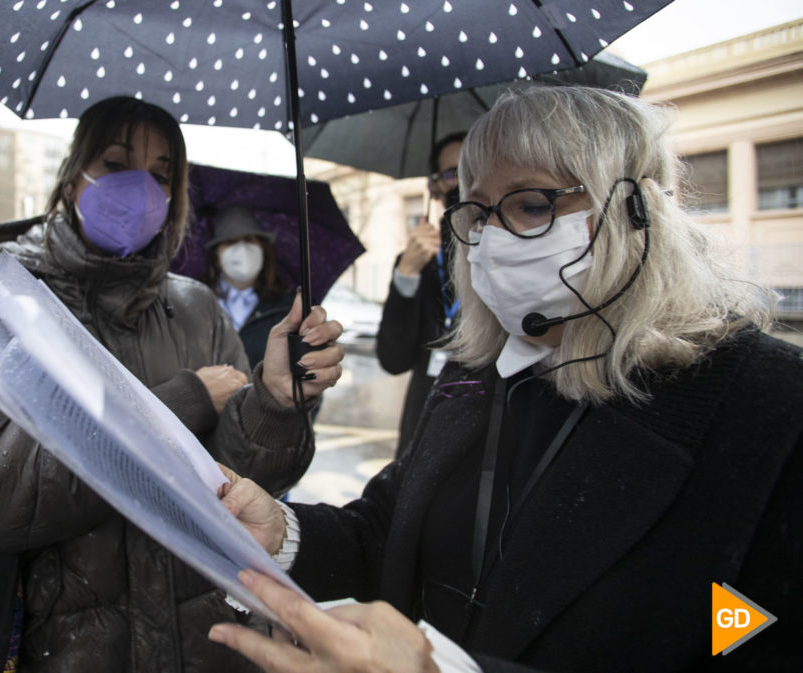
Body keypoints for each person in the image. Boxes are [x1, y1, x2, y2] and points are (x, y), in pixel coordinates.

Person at [209, 86, 802, 673]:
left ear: (632, 209)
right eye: (476, 211)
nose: (492, 238)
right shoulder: (473, 375)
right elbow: (385, 534)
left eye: (532, 204)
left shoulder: (769, 406)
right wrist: (285, 533)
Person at [0, 96, 344, 673]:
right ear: (73, 179)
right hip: (65, 649)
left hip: (205, 643)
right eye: (118, 164)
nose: (140, 186)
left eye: (162, 174)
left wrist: (272, 404)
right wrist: (184, 400)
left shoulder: (197, 307)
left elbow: (243, 487)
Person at [376, 132, 465, 457]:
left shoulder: (506, 247)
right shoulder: (420, 255)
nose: (461, 181)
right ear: (435, 185)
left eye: (470, 168)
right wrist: (408, 274)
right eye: (450, 173)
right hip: (425, 420)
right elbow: (393, 359)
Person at [202, 205, 293, 368]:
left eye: (249, 240)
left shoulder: (288, 309)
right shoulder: (194, 300)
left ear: (263, 249)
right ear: (216, 254)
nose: (242, 249)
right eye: (231, 242)